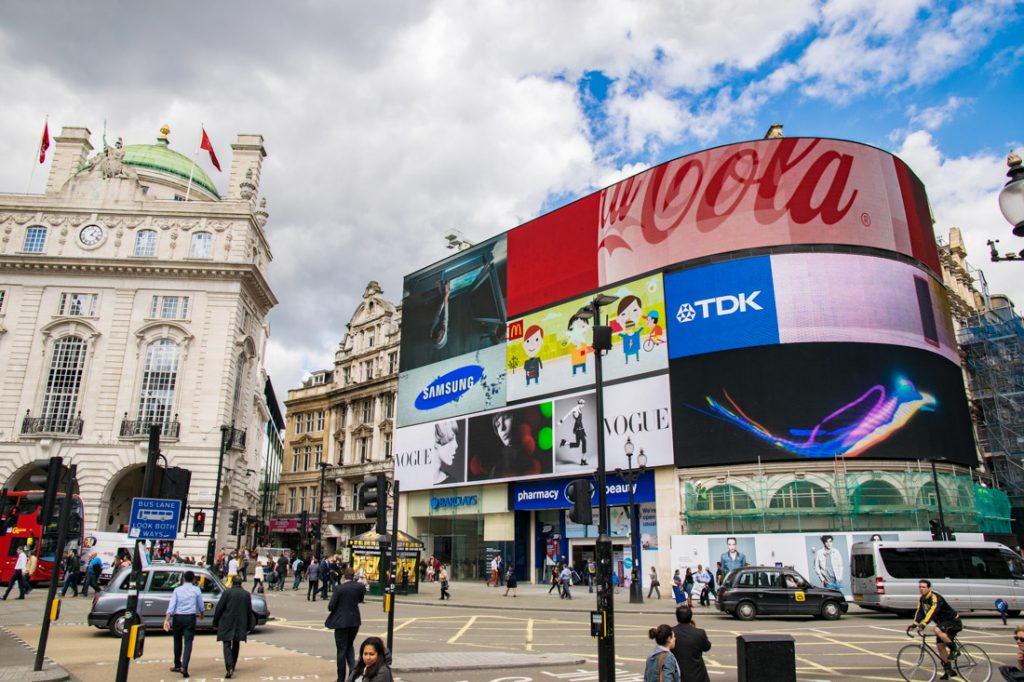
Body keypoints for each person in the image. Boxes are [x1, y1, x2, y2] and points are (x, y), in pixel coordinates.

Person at [910, 579, 962, 680]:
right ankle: (948, 670)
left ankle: (955, 650)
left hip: (953, 622)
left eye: (923, 587)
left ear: (929, 588)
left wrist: (923, 624)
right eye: (920, 587)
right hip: (943, 624)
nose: (921, 589)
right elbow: (920, 612)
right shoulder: (922, 599)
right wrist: (914, 624)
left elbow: (932, 612)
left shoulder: (935, 598)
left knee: (936, 630)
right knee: (940, 647)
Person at [326, 567, 367, 682]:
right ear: (353, 575)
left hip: (341, 622)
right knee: (350, 646)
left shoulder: (339, 588)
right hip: (354, 621)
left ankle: (341, 679)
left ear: (344, 576)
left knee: (341, 650)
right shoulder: (360, 587)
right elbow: (360, 600)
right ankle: (352, 676)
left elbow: (331, 606)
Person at [163, 570, 204, 678]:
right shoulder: (196, 590)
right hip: (190, 617)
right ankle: (184, 666)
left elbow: (172, 605)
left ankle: (177, 664)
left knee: (177, 641)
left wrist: (167, 619)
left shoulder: (177, 590)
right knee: (188, 642)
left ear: (184, 578)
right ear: (194, 579)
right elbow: (200, 604)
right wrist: (201, 613)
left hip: (178, 617)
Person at [212, 577, 255, 679]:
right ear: (241, 583)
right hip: (240, 622)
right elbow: (249, 611)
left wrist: (215, 622)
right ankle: (233, 664)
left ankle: (229, 666)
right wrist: (249, 625)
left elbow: (220, 608)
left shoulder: (227, 593)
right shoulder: (246, 594)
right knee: (236, 643)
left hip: (227, 620)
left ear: (232, 583)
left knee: (226, 643)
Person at [671, 605, 711, 681]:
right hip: (698, 675)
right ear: (690, 617)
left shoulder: (671, 632)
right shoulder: (699, 633)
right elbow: (707, 647)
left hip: (678, 675)